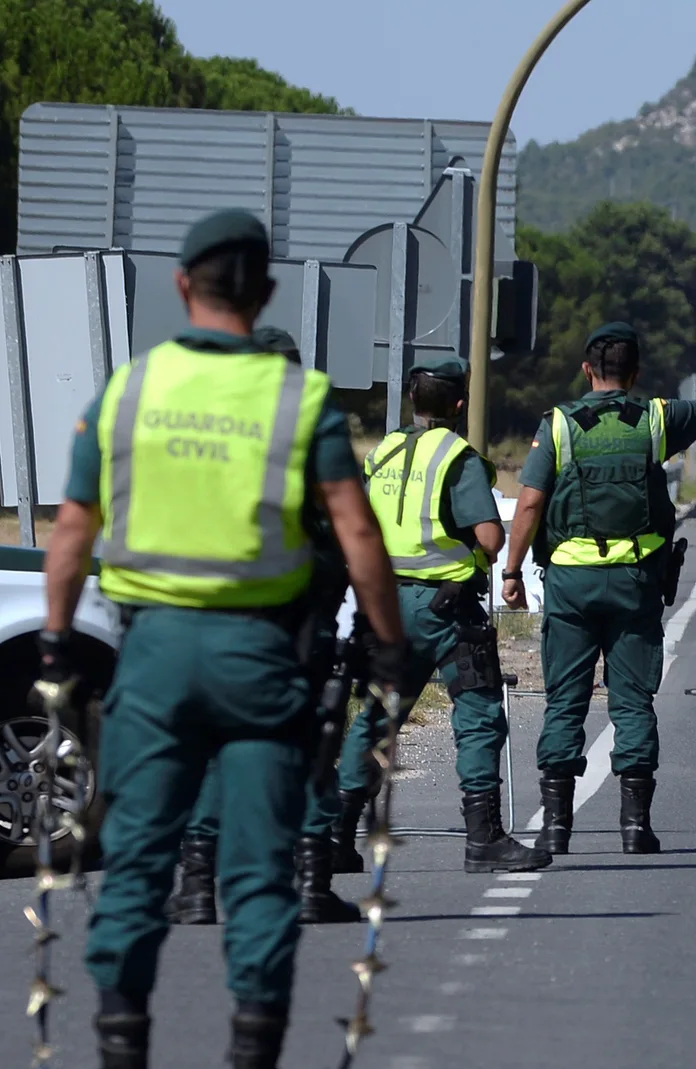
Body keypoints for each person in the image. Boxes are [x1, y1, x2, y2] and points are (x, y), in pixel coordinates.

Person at [36, 209, 408, 1069]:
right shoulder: (300, 398)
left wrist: (56, 646)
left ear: (182, 287)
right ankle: (251, 1051)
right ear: (266, 291)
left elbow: (69, 534)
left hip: (155, 655)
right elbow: (357, 534)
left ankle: (122, 1044)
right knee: (260, 871)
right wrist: (387, 645)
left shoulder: (127, 390)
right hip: (259, 656)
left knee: (134, 866)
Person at [501, 292, 696, 855]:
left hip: (569, 584)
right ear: (636, 372)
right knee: (633, 702)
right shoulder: (656, 419)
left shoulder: (561, 426)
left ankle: (556, 829)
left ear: (587, 369)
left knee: (565, 701)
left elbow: (530, 504)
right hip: (636, 583)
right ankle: (635, 828)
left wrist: (512, 570)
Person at [163, 324, 367, 928]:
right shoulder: (317, 436)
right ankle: (310, 886)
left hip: (220, 621)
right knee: (308, 747)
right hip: (301, 623)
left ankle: (198, 888)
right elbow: (354, 533)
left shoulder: (213, 436)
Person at [333, 353, 550, 873]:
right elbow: (490, 538)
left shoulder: (381, 452)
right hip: (446, 612)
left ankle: (334, 835)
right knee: (477, 718)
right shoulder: (459, 458)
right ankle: (484, 840)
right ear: (459, 403)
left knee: (380, 717)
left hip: (386, 605)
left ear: (413, 400)